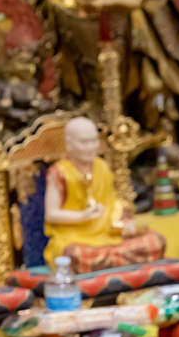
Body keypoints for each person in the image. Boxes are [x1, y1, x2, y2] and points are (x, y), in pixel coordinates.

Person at [43, 116, 166, 273]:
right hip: (75, 237)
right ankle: (114, 262)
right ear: (69, 144)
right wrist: (83, 216)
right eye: (84, 142)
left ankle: (109, 261)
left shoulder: (101, 167)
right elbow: (51, 215)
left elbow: (112, 204)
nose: (90, 147)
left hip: (108, 234)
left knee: (155, 241)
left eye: (94, 141)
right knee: (75, 255)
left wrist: (123, 223)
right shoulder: (59, 173)